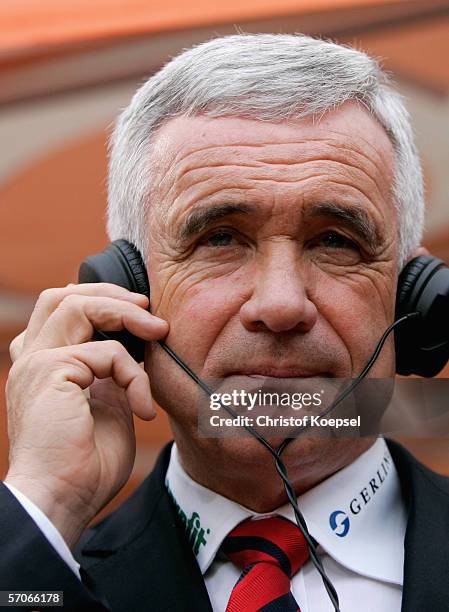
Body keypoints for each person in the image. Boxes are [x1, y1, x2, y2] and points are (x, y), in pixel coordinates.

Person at [1, 33, 448, 612]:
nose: (282, 305)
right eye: (219, 239)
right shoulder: (37, 572)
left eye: (335, 241)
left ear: (412, 301)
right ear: (127, 292)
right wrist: (46, 504)